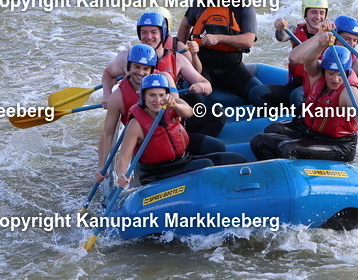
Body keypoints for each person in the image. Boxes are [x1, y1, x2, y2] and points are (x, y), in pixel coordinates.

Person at [251, 27, 358, 163]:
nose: (336, 79)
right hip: (312, 132)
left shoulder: (348, 90)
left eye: (340, 74)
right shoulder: (318, 74)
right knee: (260, 140)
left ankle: (295, 178)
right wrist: (320, 44)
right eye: (331, 74)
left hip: (338, 145)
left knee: (288, 149)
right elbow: (308, 59)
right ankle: (274, 174)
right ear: (324, 71)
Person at [115, 75, 246, 186]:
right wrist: (121, 174)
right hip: (157, 172)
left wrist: (175, 105)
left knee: (237, 158)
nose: (157, 100)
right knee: (206, 164)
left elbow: (189, 112)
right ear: (143, 96)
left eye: (161, 95)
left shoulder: (171, 104)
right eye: (152, 95)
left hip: (182, 159)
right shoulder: (135, 124)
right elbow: (124, 156)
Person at [176, 0, 265, 105]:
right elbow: (185, 26)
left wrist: (218, 38)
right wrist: (181, 57)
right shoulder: (201, 2)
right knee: (195, 99)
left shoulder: (244, 6)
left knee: (261, 95)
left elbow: (249, 40)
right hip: (202, 66)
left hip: (232, 68)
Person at [100, 11, 209, 107]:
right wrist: (107, 94)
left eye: (153, 32)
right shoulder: (126, 56)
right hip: (134, 112)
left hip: (164, 109)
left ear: (163, 34)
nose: (148, 37)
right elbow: (108, 73)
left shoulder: (177, 59)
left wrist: (201, 86)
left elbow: (206, 84)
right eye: (144, 32)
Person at [96, 44, 162, 183]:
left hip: (164, 140)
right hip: (143, 150)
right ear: (128, 68)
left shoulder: (164, 82)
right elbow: (107, 133)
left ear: (152, 69)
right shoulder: (118, 97)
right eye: (136, 67)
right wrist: (101, 166)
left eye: (146, 69)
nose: (141, 72)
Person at [257, 0, 329, 107]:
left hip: (317, 87)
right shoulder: (295, 30)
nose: (318, 17)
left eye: (321, 13)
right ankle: (274, 119)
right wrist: (279, 27)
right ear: (305, 13)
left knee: (296, 95)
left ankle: (300, 122)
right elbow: (281, 37)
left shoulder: (329, 36)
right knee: (258, 93)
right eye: (313, 12)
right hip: (295, 84)